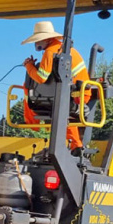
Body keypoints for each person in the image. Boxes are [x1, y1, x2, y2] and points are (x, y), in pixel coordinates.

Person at [21, 20, 91, 152]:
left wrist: (29, 66)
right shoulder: (66, 50)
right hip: (76, 94)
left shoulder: (50, 52)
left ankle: (32, 122)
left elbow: (41, 78)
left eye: (37, 40)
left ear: (47, 39)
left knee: (28, 87)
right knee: (62, 110)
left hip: (74, 97)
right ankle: (76, 146)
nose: (36, 44)